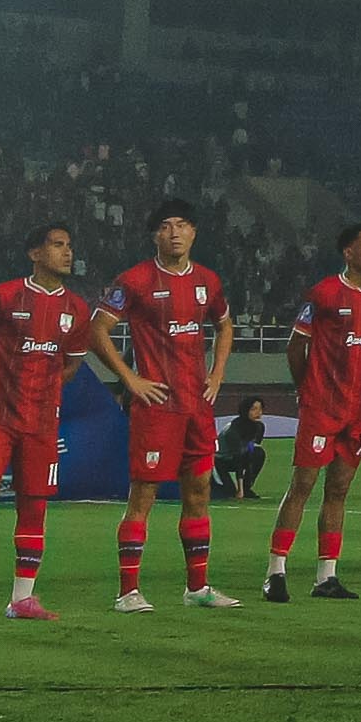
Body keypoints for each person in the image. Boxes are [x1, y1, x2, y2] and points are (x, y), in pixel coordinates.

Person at [0, 222, 149, 623]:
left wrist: (42, 392)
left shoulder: (76, 308)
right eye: (57, 245)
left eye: (69, 245)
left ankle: (22, 598)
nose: (67, 252)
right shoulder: (3, 296)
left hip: (42, 422)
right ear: (35, 253)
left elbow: (72, 363)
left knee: (34, 506)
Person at [107, 200, 236, 612]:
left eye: (182, 225)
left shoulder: (208, 280)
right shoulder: (135, 280)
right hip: (157, 408)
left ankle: (197, 587)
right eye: (165, 226)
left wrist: (216, 374)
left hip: (197, 407)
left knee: (198, 492)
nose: (174, 233)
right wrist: (130, 380)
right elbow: (97, 331)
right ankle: (128, 592)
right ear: (154, 236)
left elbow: (225, 324)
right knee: (143, 494)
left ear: (194, 232)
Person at [268, 223, 361, 599]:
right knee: (302, 485)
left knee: (338, 489)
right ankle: (276, 571)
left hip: (356, 410)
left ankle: (326, 576)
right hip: (321, 406)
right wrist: (306, 389)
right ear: (348, 252)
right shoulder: (324, 294)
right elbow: (296, 346)